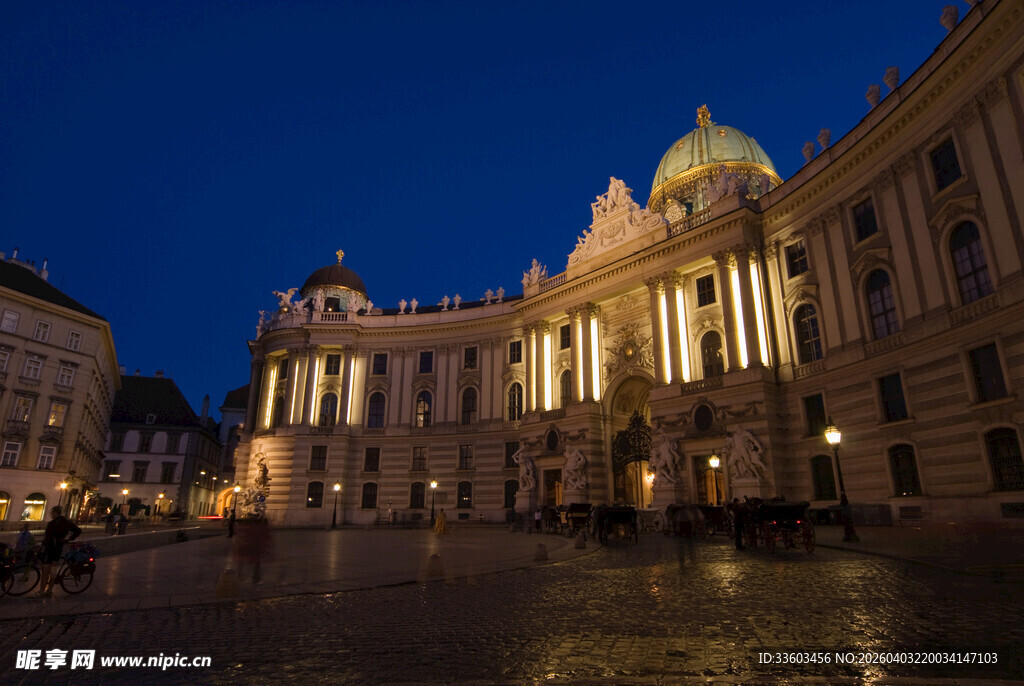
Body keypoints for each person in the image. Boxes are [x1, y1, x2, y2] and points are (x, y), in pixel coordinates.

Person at [38, 506, 81, 597]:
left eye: (51, 513)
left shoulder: (52, 523)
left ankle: (41, 591)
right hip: (58, 548)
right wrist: (69, 539)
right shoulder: (66, 522)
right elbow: (77, 530)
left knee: (45, 570)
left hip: (49, 549)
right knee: (53, 570)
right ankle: (49, 590)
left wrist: (41, 546)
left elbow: (47, 538)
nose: (51, 514)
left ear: (54, 513)